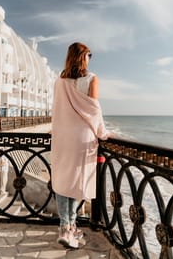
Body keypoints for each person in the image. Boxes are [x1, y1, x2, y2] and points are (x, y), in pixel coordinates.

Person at [51, 42, 109, 249]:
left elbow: (56, 109)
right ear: (83, 57)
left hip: (61, 137)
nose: (89, 59)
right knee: (78, 182)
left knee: (62, 180)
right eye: (89, 55)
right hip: (82, 138)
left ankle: (65, 227)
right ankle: (70, 226)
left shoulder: (59, 81)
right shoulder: (92, 79)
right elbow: (93, 110)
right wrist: (103, 133)